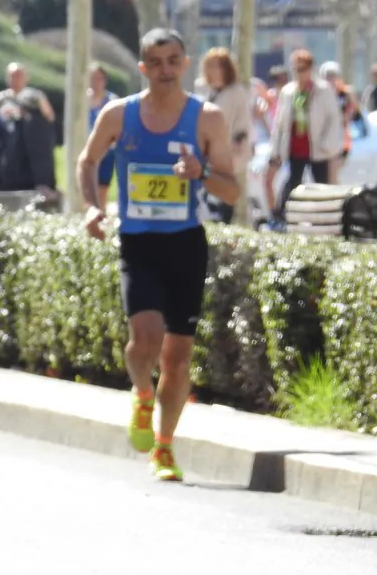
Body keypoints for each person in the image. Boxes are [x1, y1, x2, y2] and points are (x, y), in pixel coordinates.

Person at [77, 28, 239, 482]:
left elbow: (231, 189)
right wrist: (92, 207)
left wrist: (201, 171)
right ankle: (142, 394)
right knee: (145, 337)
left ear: (185, 64)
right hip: (138, 241)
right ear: (143, 68)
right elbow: (87, 161)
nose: (166, 70)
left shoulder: (207, 119)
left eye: (174, 61)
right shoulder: (118, 114)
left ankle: (164, 449)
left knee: (177, 357)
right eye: (156, 62)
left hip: (185, 242)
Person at [266, 49, 342, 222]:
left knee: (322, 184)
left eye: (302, 69)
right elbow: (279, 123)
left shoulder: (323, 90)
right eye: (296, 69)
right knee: (293, 182)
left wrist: (326, 143)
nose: (299, 74)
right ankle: (285, 217)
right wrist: (276, 149)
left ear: (310, 69)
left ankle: (326, 217)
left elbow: (333, 119)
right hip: (296, 146)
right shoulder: (288, 91)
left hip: (317, 147)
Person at [194, 48, 252, 224]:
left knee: (224, 191)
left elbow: (244, 121)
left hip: (227, 152)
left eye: (218, 66)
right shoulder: (205, 91)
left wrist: (238, 141)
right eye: (210, 66)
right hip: (206, 152)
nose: (214, 70)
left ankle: (224, 225)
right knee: (206, 189)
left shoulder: (236, 91)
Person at [318, 61, 359, 184]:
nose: (331, 79)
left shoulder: (344, 92)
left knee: (334, 171)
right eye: (328, 75)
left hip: (342, 138)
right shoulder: (321, 93)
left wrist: (347, 117)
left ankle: (334, 194)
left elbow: (355, 109)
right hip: (324, 138)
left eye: (333, 75)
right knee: (329, 174)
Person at [88, 65, 118, 210]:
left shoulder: (112, 101)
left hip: (107, 150)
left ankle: (102, 214)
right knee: (87, 185)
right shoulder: (82, 100)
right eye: (93, 78)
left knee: (102, 186)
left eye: (99, 78)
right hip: (88, 149)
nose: (96, 82)